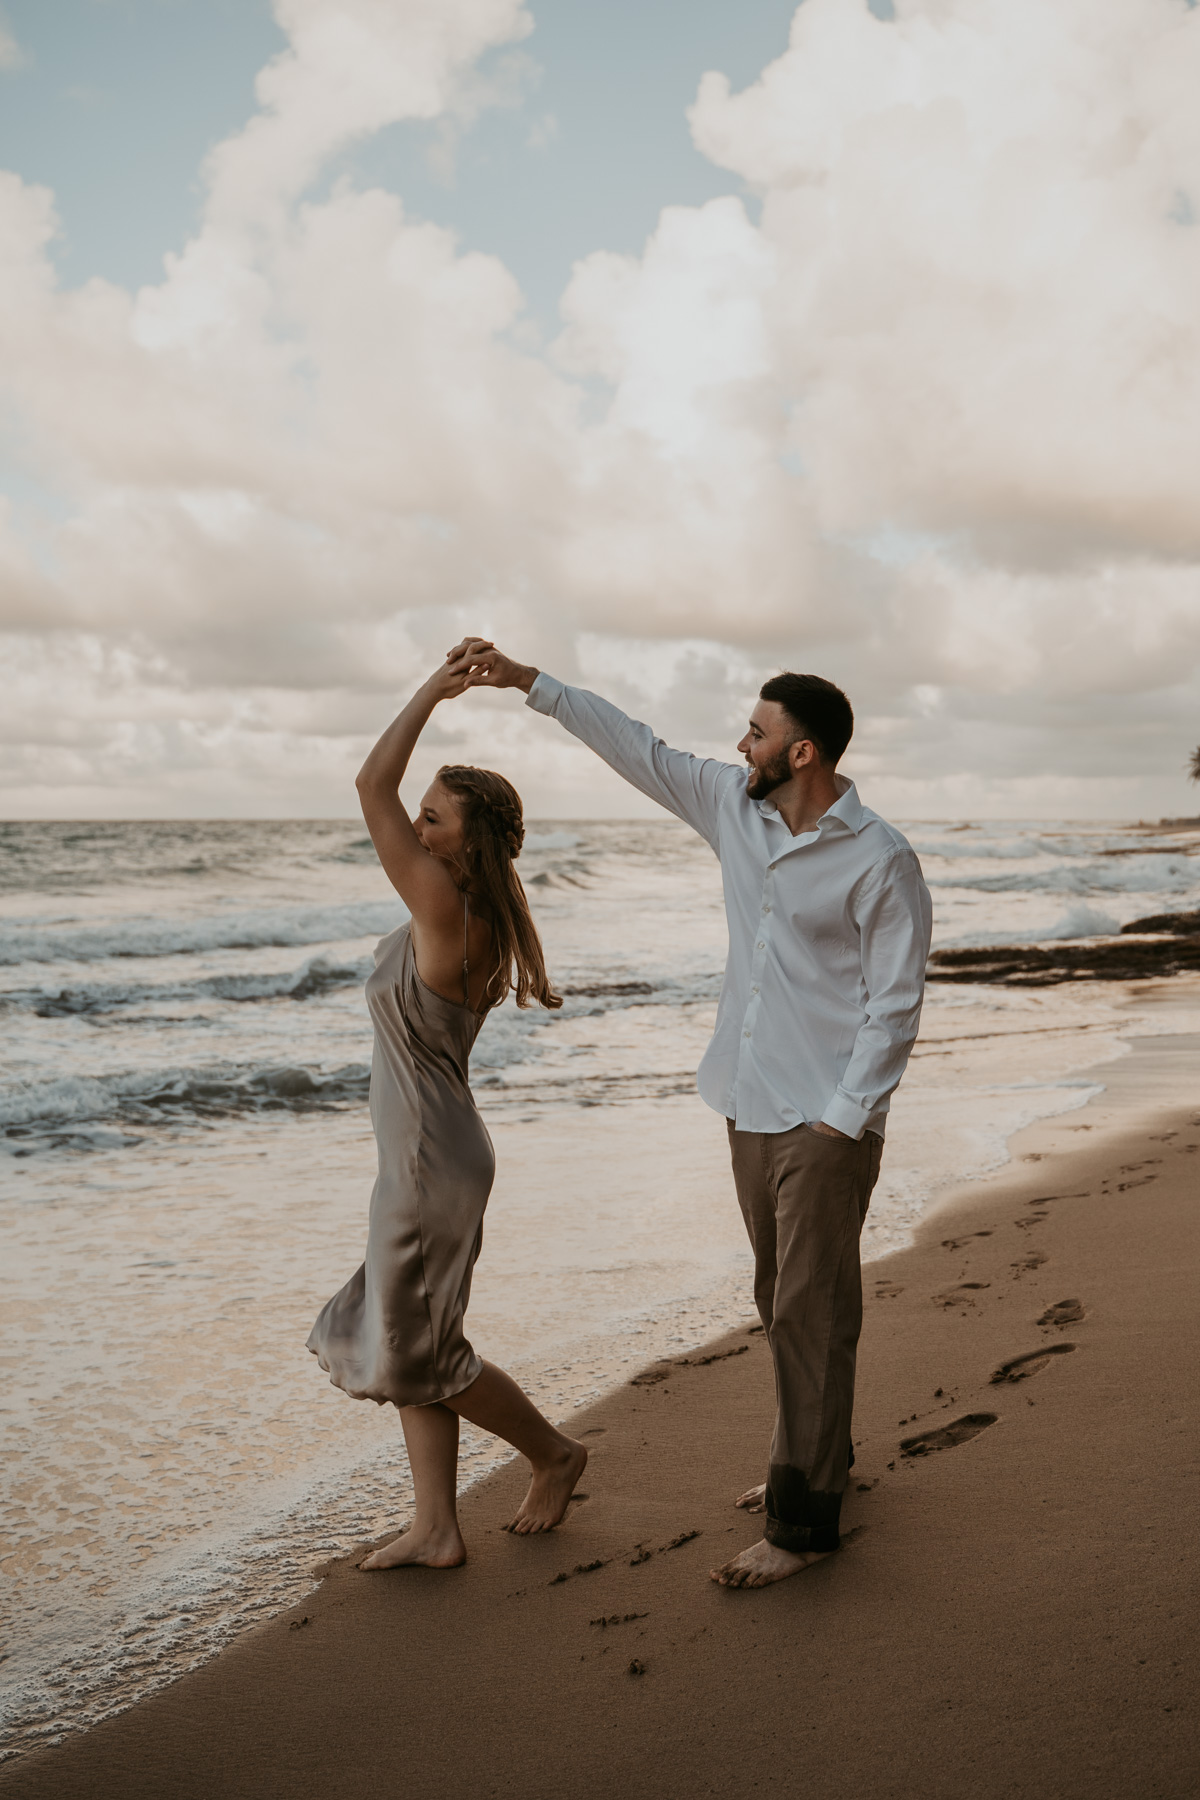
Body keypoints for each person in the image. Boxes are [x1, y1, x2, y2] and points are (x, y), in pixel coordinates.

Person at [457, 638, 932, 1590]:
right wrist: (528, 684)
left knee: (805, 1306)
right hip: (749, 1103)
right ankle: (818, 1460)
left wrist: (845, 1117)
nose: (740, 743)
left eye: (757, 732)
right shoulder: (732, 807)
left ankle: (802, 1524)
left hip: (830, 1119)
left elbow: (896, 1002)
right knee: (787, 1298)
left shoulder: (880, 860)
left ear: (803, 753)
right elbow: (637, 745)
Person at [307, 643, 587, 1571]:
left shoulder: (443, 908)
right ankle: (435, 1526)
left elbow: (367, 784)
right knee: (410, 1345)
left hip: (429, 1163)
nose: (416, 829)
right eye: (420, 818)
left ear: (466, 841)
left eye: (433, 819)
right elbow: (387, 798)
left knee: (429, 1350)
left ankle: (553, 1451)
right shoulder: (474, 912)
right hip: (429, 1156)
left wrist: (433, 689)